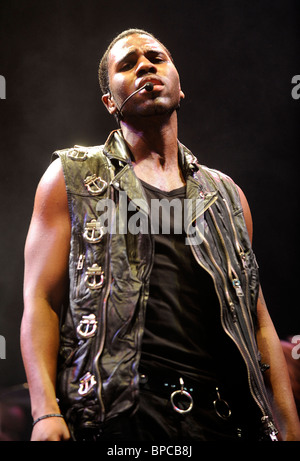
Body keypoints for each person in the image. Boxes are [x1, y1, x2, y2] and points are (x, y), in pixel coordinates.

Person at [21, 28, 300, 442]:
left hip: (219, 421)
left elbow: (257, 322)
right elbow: (41, 299)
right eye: (128, 64)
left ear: (180, 87)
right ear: (109, 102)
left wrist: (288, 428)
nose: (146, 66)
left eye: (156, 57)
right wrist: (45, 412)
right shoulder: (72, 177)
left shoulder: (226, 197)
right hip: (115, 417)